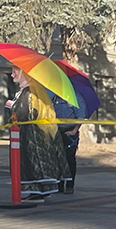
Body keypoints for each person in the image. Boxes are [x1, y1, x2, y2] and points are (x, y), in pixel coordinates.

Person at [8, 68, 71, 200]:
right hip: (31, 135)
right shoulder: (31, 91)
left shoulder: (30, 92)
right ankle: (40, 190)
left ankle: (38, 191)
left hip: (31, 137)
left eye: (15, 71)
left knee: (35, 163)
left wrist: (12, 108)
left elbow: (26, 114)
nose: (12, 74)